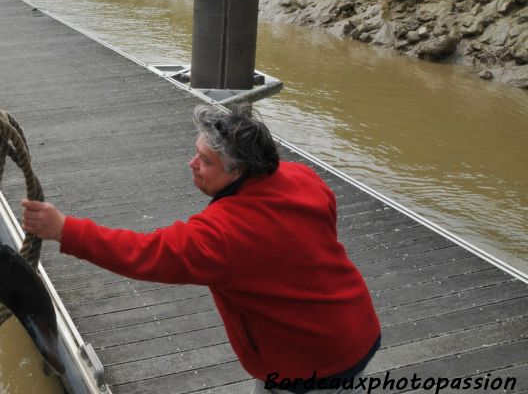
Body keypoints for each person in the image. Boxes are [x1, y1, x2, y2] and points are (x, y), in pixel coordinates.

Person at [21, 104, 380, 393]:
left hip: (305, 363)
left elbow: (147, 254)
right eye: (197, 152)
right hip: (356, 328)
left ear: (240, 172)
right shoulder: (302, 177)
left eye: (206, 162)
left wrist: (65, 229)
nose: (192, 165)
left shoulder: (224, 234)